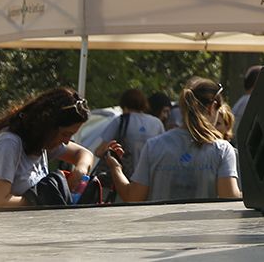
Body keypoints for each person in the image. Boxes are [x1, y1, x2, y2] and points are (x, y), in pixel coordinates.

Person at [102, 78, 240, 202]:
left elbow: (132, 197)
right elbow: (229, 197)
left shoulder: (154, 146)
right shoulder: (222, 150)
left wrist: (115, 168)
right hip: (204, 230)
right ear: (211, 107)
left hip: (158, 229)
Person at [0, 87, 95, 207]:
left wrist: (79, 171)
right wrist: (38, 199)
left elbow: (84, 154)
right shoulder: (7, 145)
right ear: (48, 126)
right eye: (65, 134)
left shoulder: (41, 143)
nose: (66, 141)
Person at [80, 87, 166, 170]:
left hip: (125, 176)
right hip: (149, 176)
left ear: (124, 105)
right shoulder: (157, 123)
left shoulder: (121, 121)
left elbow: (100, 151)